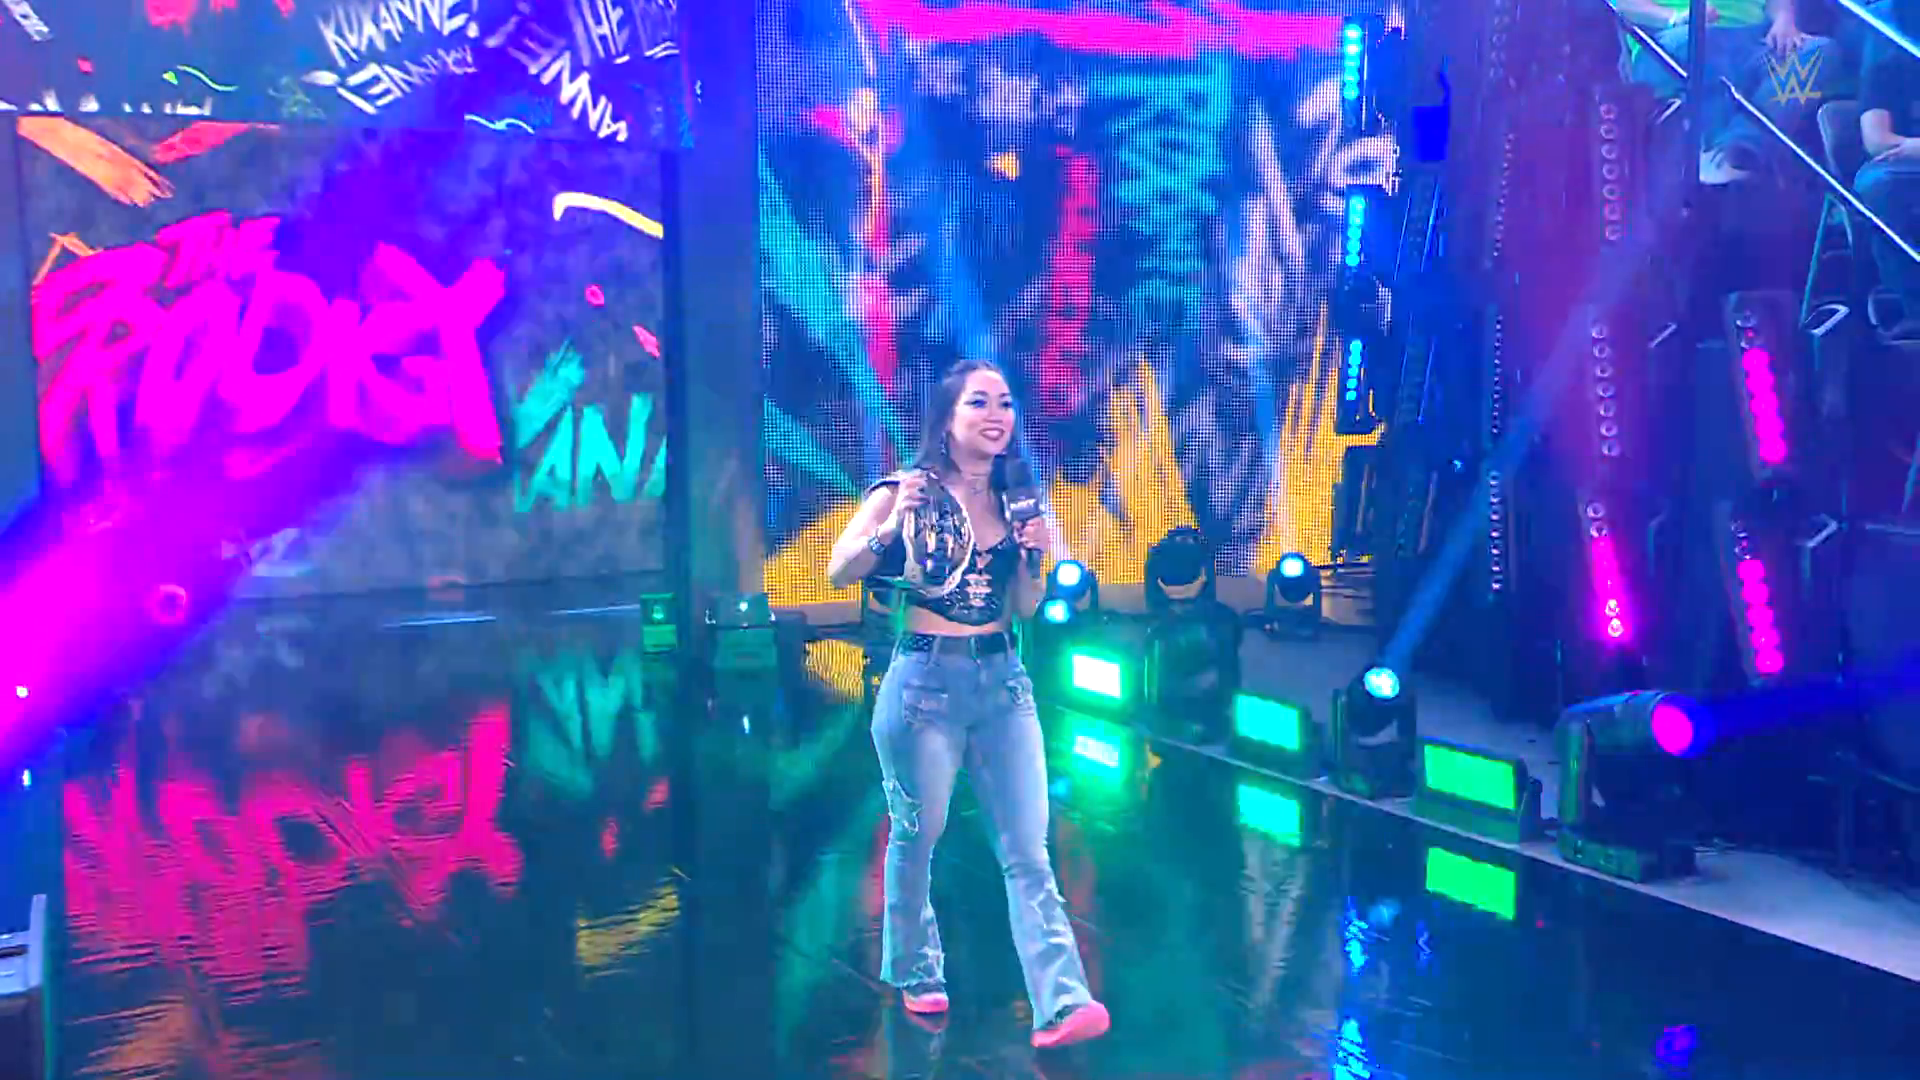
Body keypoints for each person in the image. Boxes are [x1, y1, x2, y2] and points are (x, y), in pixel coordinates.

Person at [825, 357, 1111, 1049]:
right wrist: (891, 530)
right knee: (918, 835)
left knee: (1029, 851)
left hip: (1004, 681)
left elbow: (1027, 606)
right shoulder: (905, 491)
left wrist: (1038, 558)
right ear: (947, 419)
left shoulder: (1021, 504)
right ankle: (914, 967)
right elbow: (839, 570)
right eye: (979, 403)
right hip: (925, 681)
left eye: (1005, 403)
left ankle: (1063, 1002)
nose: (996, 416)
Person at [1617, 0, 1831, 184]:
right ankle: (1711, 156)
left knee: (1819, 51)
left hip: (1755, 40)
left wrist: (1785, 19)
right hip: (1680, 35)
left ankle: (1737, 149)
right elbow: (1623, 4)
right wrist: (1675, 17)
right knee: (1698, 45)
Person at [1857, 0, 1920, 337]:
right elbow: (1876, 139)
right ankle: (1915, 309)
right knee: (1877, 184)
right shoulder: (1889, 31)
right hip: (1908, 167)